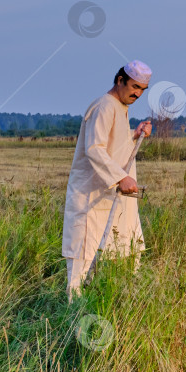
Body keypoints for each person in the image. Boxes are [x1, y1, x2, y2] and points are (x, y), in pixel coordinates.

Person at [62, 60, 153, 300]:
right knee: (83, 258)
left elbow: (115, 147)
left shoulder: (120, 108)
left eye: (143, 89)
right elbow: (95, 148)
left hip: (110, 197)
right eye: (135, 86)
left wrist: (134, 134)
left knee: (127, 249)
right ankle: (72, 317)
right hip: (90, 197)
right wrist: (121, 177)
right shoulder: (104, 106)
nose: (138, 93)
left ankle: (114, 304)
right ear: (120, 80)